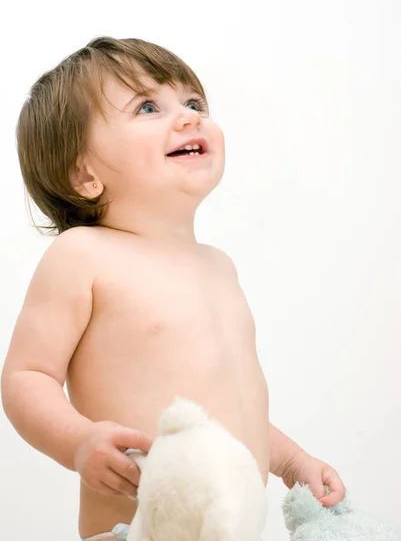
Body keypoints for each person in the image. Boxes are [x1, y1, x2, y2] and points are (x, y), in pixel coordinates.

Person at [1, 36, 346, 540]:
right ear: (83, 174)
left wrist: (293, 463)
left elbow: (229, 409)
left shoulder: (219, 267)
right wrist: (78, 441)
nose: (189, 118)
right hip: (136, 528)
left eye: (193, 102)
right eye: (147, 107)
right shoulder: (83, 255)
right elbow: (26, 376)